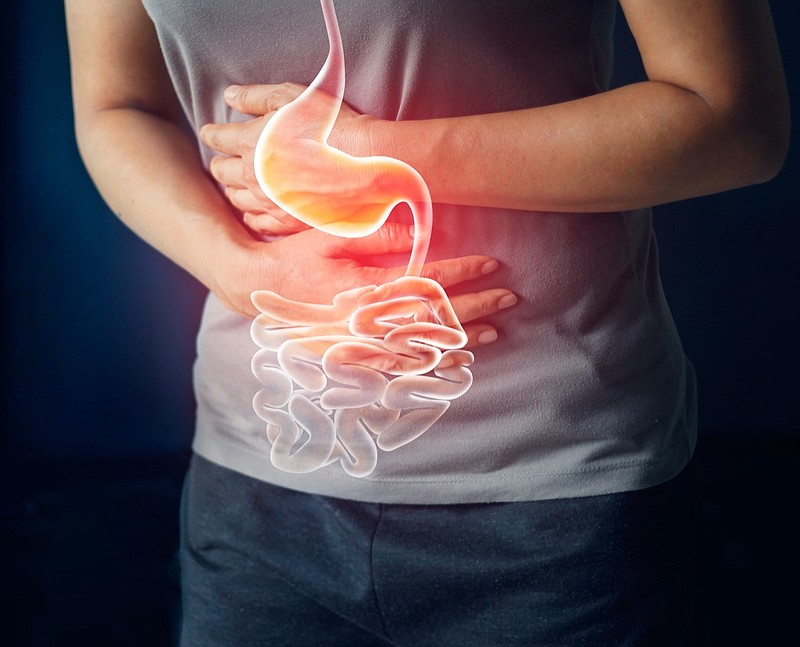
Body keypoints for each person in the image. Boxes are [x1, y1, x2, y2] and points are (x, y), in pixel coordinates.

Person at [65, 1, 789, 645]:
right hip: (259, 488)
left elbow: (732, 119)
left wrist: (378, 155)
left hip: (556, 496)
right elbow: (118, 105)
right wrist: (248, 274)